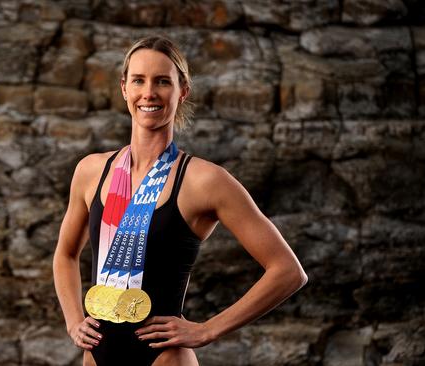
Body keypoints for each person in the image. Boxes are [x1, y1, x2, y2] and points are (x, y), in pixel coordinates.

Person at [53, 36, 308, 366]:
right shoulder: (91, 170)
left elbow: (288, 271)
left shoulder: (205, 181)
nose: (149, 93)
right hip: (97, 356)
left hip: (165, 358)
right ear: (124, 88)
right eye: (139, 80)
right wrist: (74, 321)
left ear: (182, 90)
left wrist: (208, 330)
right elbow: (65, 254)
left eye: (162, 81)